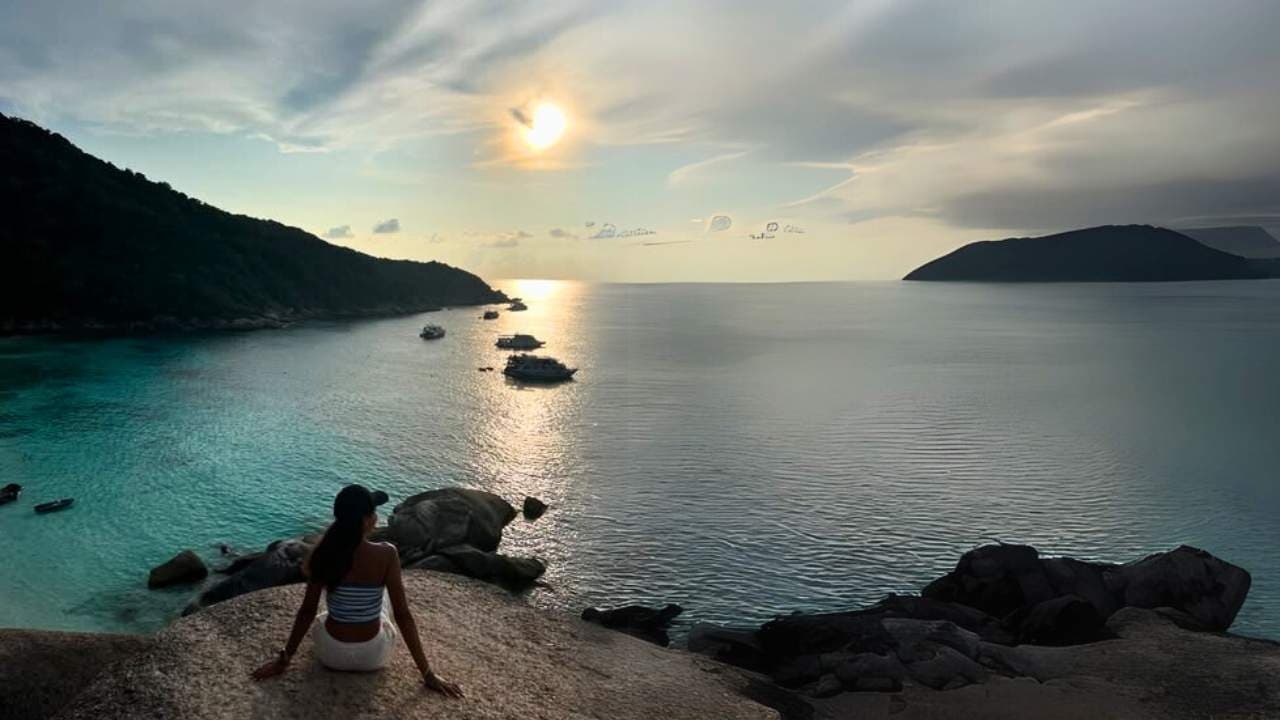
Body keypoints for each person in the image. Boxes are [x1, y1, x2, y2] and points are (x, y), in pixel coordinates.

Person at [250, 484, 463, 697]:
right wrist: (428, 674)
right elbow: (403, 615)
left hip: (330, 654)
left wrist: (284, 660)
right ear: (368, 520)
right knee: (385, 596)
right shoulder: (387, 554)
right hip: (373, 655)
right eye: (373, 511)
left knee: (329, 605)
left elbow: (307, 612)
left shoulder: (323, 554)